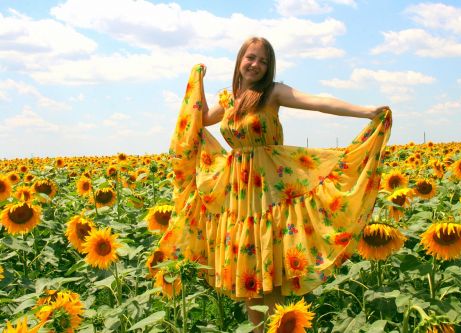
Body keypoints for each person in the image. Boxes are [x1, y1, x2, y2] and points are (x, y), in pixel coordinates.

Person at [161, 36, 391, 331]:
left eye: (263, 60)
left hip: (271, 190)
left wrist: (367, 111)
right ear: (239, 60)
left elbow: (318, 102)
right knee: (249, 270)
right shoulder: (228, 99)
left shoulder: (272, 93)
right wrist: (197, 79)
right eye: (250, 57)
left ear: (269, 67)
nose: (255, 64)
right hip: (238, 194)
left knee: (271, 266)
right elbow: (201, 118)